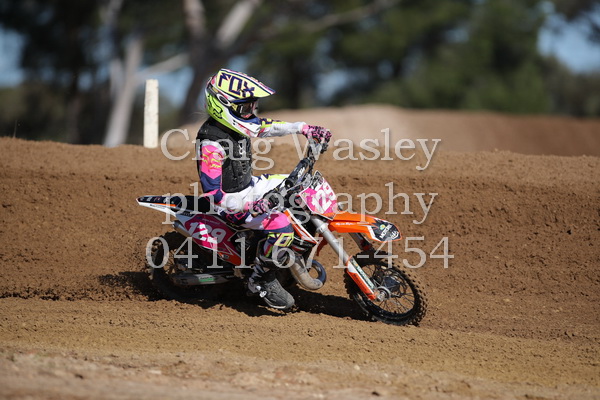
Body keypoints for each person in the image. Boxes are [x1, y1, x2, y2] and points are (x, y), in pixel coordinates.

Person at [195, 68, 331, 310]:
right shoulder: (211, 144)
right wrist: (252, 206)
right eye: (245, 107)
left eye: (252, 106)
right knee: (281, 226)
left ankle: (293, 252)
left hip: (248, 187)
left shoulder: (236, 126)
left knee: (301, 185)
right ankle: (260, 279)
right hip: (230, 203)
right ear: (223, 104)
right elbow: (213, 193)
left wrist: (304, 128)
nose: (251, 112)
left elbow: (266, 127)